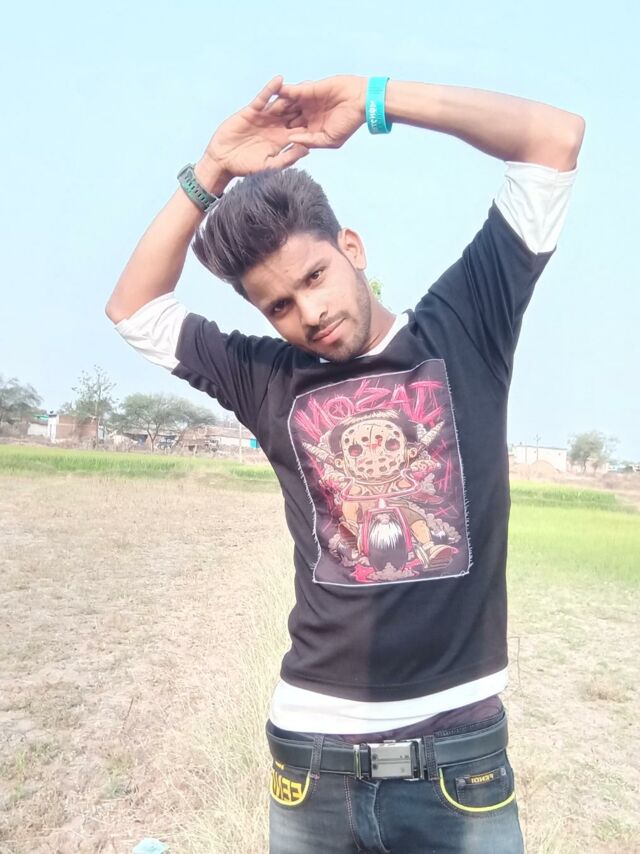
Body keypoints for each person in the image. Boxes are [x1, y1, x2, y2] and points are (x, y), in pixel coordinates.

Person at [106, 74, 584, 853]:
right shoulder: (268, 378)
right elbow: (133, 308)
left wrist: (375, 99)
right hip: (311, 766)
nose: (310, 313)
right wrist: (211, 168)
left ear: (351, 249)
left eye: (314, 277)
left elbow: (553, 139)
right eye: (279, 306)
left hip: (457, 768)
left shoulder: (464, 326)